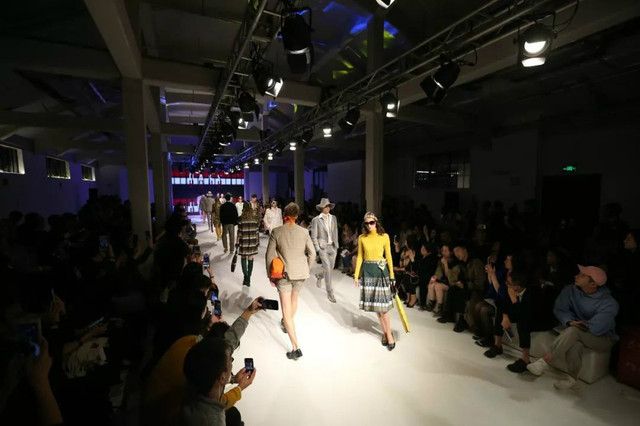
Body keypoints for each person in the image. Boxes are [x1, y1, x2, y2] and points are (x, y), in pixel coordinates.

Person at [527, 265, 619, 390]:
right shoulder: (570, 290)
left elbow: (598, 326)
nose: (576, 276)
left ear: (593, 284)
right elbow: (560, 309)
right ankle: (573, 378)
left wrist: (578, 325)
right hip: (575, 330)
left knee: (574, 332)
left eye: (582, 276)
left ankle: (546, 360)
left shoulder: (609, 303)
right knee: (575, 341)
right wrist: (569, 321)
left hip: (602, 337)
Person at [265, 202, 315, 360]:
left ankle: (296, 348)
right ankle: (287, 324)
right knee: (294, 301)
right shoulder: (304, 232)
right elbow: (312, 253)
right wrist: (306, 269)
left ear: (284, 215)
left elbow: (269, 255)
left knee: (286, 310)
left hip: (284, 275)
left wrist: (271, 276)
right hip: (300, 273)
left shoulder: (277, 231)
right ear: (297, 216)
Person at [353, 212, 397, 351]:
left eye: (371, 222)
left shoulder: (384, 236)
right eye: (366, 223)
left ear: (376, 222)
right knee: (376, 306)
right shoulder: (362, 238)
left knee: (383, 306)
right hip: (368, 272)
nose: (369, 225)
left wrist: (392, 275)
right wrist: (356, 275)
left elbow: (388, 256)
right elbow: (360, 256)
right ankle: (385, 332)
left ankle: (388, 333)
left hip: (380, 271)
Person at [180, 337, 243, 426]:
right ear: (222, 378)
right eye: (230, 359)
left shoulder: (191, 387)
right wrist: (240, 387)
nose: (231, 362)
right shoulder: (214, 422)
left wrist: (232, 379)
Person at [310, 198, 340, 303]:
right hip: (323, 248)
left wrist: (336, 245)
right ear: (321, 208)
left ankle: (319, 276)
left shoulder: (334, 218)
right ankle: (330, 292)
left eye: (328, 206)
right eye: (325, 206)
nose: (327, 208)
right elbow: (313, 236)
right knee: (327, 268)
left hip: (333, 247)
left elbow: (335, 231)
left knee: (330, 269)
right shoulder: (316, 220)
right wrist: (318, 249)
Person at [237, 202, 260, 287]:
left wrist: (237, 242)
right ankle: (248, 278)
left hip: (244, 241)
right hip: (252, 241)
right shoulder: (255, 218)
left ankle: (245, 277)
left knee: (243, 257)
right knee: (250, 257)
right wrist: (257, 242)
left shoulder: (241, 218)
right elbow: (257, 232)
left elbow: (239, 232)